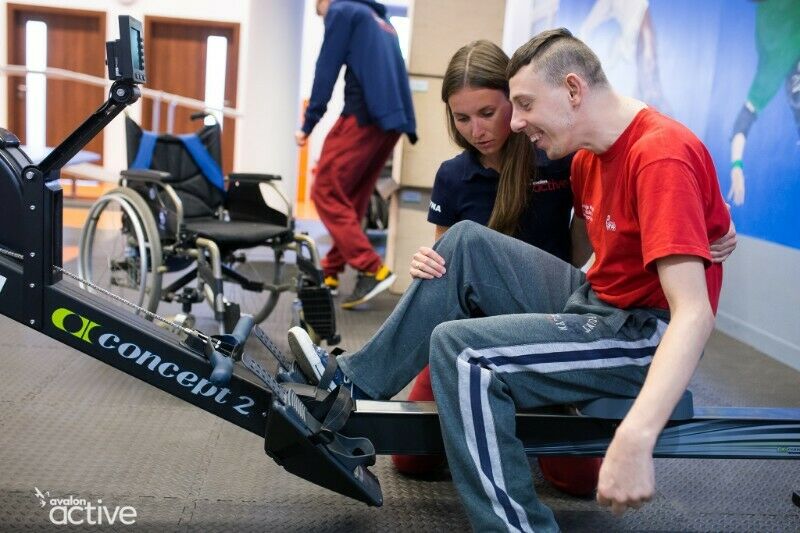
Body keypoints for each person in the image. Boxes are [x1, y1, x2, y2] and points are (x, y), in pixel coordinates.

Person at [283, 28, 733, 531]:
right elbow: (593, 250)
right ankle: (352, 383)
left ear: (572, 89)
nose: (516, 122)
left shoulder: (659, 155)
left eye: (522, 105)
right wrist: (711, 222)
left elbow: (693, 314)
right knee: (465, 242)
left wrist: (636, 435)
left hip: (638, 333)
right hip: (595, 300)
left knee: (461, 350)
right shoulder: (586, 157)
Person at [296, 0, 417, 309]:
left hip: (363, 116)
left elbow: (327, 67)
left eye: (320, 13)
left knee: (324, 190)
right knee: (352, 200)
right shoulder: (380, 19)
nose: (324, 19)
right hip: (392, 120)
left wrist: (309, 123)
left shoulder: (341, 11)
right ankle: (331, 270)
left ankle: (372, 268)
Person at [727, 0, 800, 206]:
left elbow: (743, 121)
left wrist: (736, 166)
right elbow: (743, 120)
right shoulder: (774, 67)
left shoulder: (775, 65)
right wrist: (736, 166)